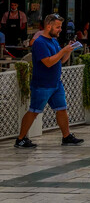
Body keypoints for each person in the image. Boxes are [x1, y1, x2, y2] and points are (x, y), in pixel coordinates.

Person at [15, 14, 83, 148]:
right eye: (58, 27)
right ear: (48, 26)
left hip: (55, 83)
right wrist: (63, 50)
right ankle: (20, 139)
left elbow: (61, 60)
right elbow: (48, 62)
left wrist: (68, 50)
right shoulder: (40, 43)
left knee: (62, 109)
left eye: (60, 27)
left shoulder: (53, 41)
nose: (60, 30)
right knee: (34, 111)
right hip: (42, 84)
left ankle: (66, 136)